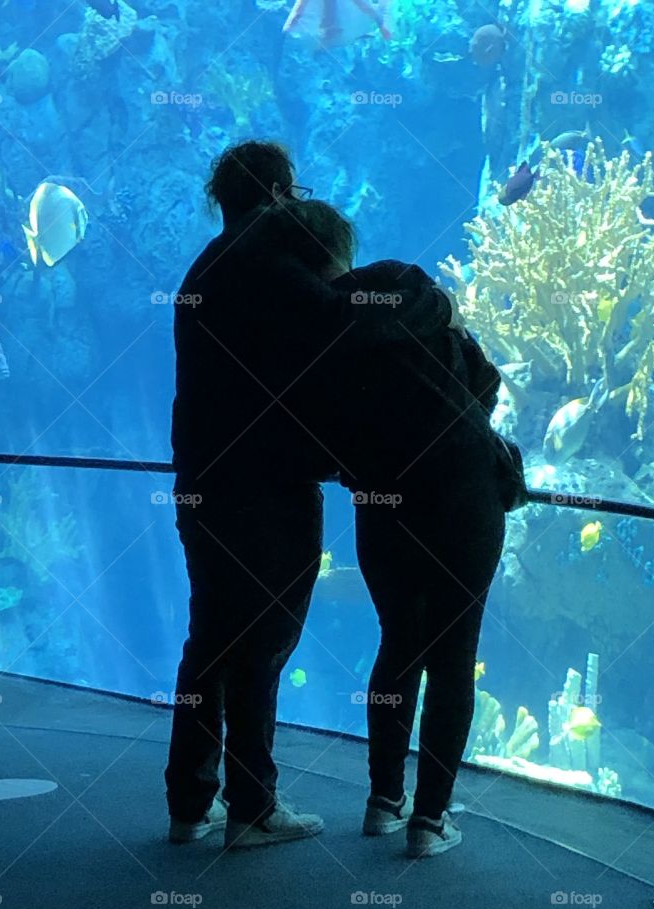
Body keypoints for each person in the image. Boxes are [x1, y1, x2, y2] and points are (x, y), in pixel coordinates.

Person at [166, 142, 454, 849]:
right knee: (262, 642)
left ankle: (188, 803)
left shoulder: (202, 271)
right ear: (276, 193)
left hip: (201, 482)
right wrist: (424, 298)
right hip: (264, 488)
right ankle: (253, 808)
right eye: (292, 192)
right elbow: (346, 323)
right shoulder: (270, 265)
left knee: (211, 639)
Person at [248, 199, 525, 857]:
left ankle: (383, 802)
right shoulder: (409, 288)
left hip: (385, 502)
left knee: (400, 641)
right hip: (465, 494)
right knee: (455, 652)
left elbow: (313, 449)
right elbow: (484, 381)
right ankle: (430, 822)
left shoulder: (310, 336)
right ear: (344, 246)